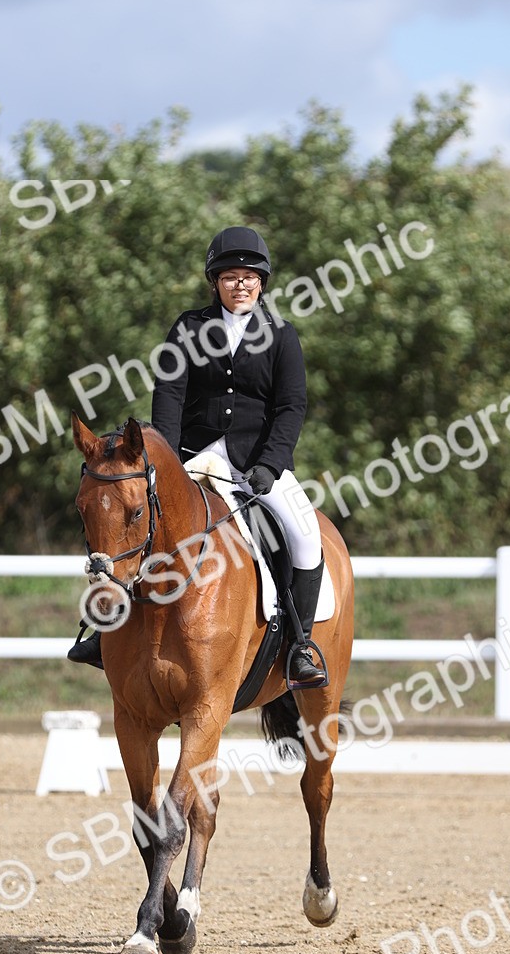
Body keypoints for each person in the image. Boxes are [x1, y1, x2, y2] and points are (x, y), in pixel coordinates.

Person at [69, 225, 327, 687]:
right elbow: (169, 394)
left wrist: (271, 464)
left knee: (305, 537)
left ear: (262, 282)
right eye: (230, 276)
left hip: (256, 465)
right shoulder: (189, 328)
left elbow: (291, 407)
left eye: (250, 276)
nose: (241, 284)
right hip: (189, 456)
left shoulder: (282, 335)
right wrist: (163, 460)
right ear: (215, 282)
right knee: (138, 522)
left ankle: (300, 645)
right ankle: (107, 632)